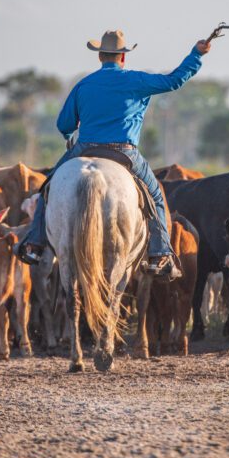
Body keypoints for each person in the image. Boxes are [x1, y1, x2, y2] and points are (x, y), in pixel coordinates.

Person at [16, 29, 212, 278]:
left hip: (84, 149)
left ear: (100, 57)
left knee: (48, 188)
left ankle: (34, 244)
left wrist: (69, 138)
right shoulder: (136, 80)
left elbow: (64, 124)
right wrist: (197, 54)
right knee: (156, 196)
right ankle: (160, 252)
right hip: (124, 153)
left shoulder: (83, 85)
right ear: (122, 57)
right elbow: (174, 80)